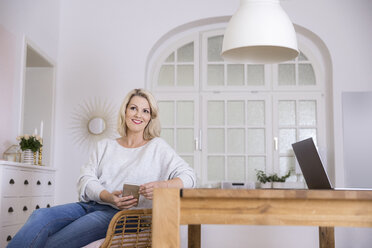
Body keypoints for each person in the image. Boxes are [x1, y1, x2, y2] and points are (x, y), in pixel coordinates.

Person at [7, 88, 196, 248]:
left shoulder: (157, 147)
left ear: (150, 117)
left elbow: (189, 176)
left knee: (54, 241)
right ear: (125, 112)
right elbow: (85, 179)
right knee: (40, 215)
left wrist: (162, 186)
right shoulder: (105, 146)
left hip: (123, 216)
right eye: (134, 108)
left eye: (145, 111)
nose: (139, 115)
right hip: (91, 205)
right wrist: (108, 196)